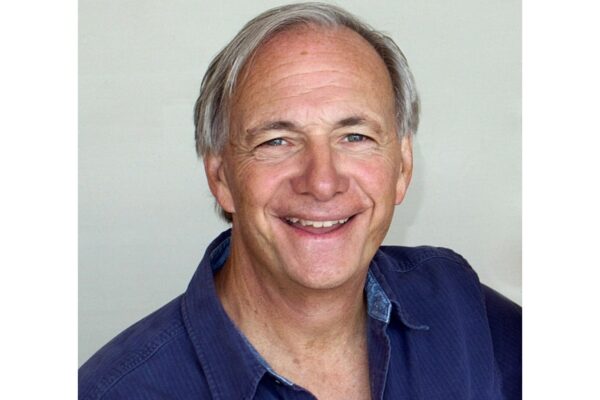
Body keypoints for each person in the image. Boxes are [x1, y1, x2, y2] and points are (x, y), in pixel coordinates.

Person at [79, 2, 521, 399]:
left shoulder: (459, 307)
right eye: (277, 141)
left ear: (402, 168)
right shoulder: (114, 392)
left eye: (355, 136)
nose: (322, 182)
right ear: (221, 177)